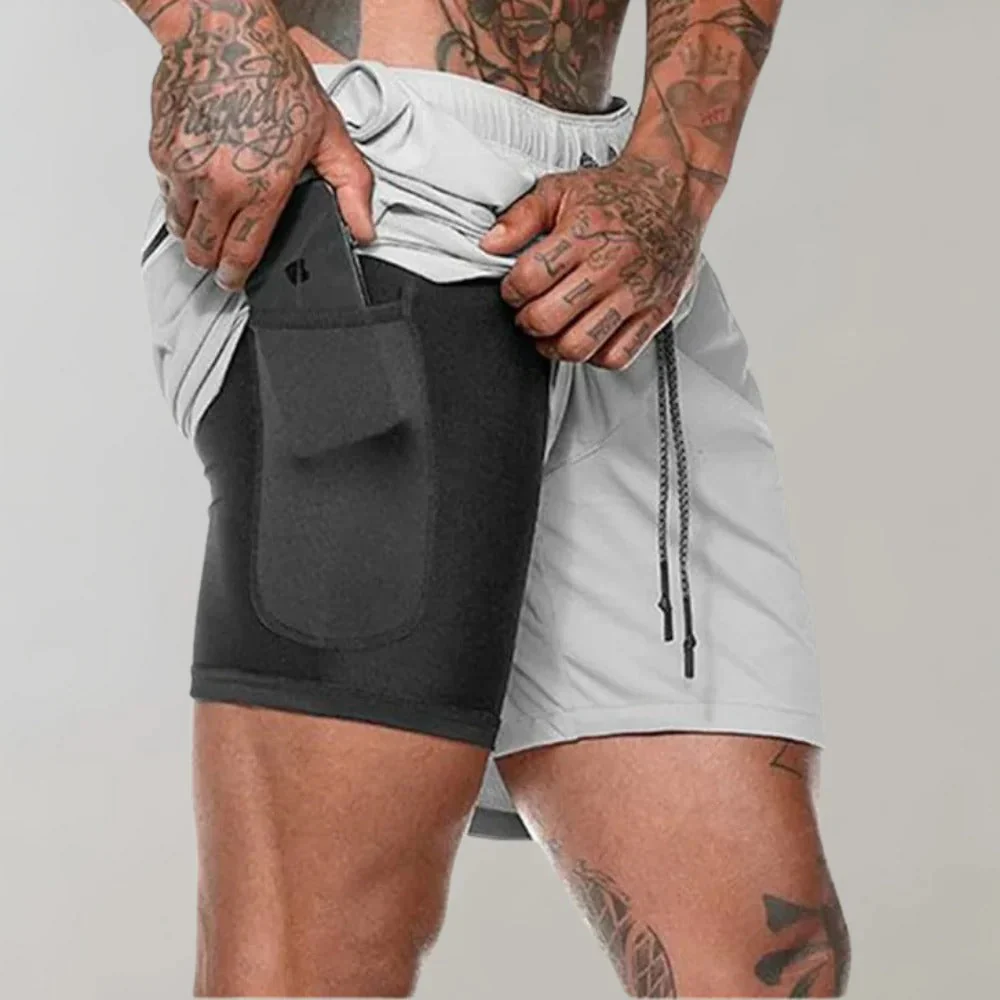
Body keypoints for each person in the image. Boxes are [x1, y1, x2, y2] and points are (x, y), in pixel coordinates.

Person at [125, 0, 850, 995]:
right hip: (375, 201)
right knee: (325, 959)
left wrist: (671, 176)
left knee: (768, 962)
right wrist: (214, 27)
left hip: (616, 229)